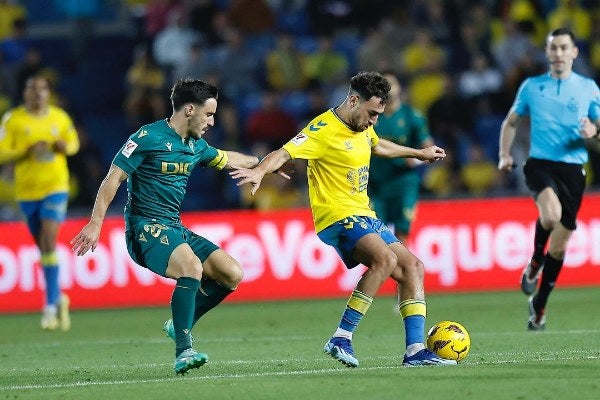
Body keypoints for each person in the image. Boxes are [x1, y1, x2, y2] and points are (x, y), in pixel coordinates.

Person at [231, 71, 456, 367]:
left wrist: (419, 153)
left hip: (364, 213)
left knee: (413, 266)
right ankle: (341, 337)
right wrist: (260, 170)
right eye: (372, 113)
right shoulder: (323, 129)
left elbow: (378, 145)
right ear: (353, 100)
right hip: (337, 216)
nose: (375, 120)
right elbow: (285, 152)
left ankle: (414, 351)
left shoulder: (364, 125)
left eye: (379, 114)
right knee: (385, 260)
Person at [70, 78, 288, 375]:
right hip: (145, 229)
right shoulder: (147, 137)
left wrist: (264, 163)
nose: (212, 121)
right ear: (189, 110)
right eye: (209, 114)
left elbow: (226, 159)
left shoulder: (195, 145)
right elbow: (113, 179)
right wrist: (95, 223)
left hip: (174, 227)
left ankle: (178, 323)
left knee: (232, 274)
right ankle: (183, 350)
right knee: (192, 268)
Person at [498, 28, 600, 331]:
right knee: (551, 213)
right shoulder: (532, 87)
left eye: (563, 47)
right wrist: (505, 155)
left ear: (574, 52)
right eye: (553, 47)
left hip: (573, 169)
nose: (557, 53)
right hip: (540, 163)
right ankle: (534, 262)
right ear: (547, 52)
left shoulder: (588, 88)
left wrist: (593, 133)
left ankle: (540, 305)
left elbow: (599, 128)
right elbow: (511, 121)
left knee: (560, 244)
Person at [0, 75, 79, 331]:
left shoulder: (59, 117)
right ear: (25, 93)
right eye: (32, 89)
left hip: (55, 187)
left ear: (48, 93)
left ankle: (48, 306)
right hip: (26, 192)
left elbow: (74, 144)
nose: (37, 94)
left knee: (48, 238)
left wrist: (62, 146)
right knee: (44, 248)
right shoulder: (13, 119)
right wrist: (26, 150)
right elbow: (2, 151)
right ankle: (59, 298)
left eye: (42, 89)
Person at [369, 72, 434, 242]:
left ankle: (402, 269)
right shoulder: (369, 116)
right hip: (375, 186)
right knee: (375, 238)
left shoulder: (412, 116)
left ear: (399, 88)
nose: (388, 88)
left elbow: (430, 150)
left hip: (403, 184)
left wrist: (414, 160)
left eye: (392, 83)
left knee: (402, 234)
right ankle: (384, 269)